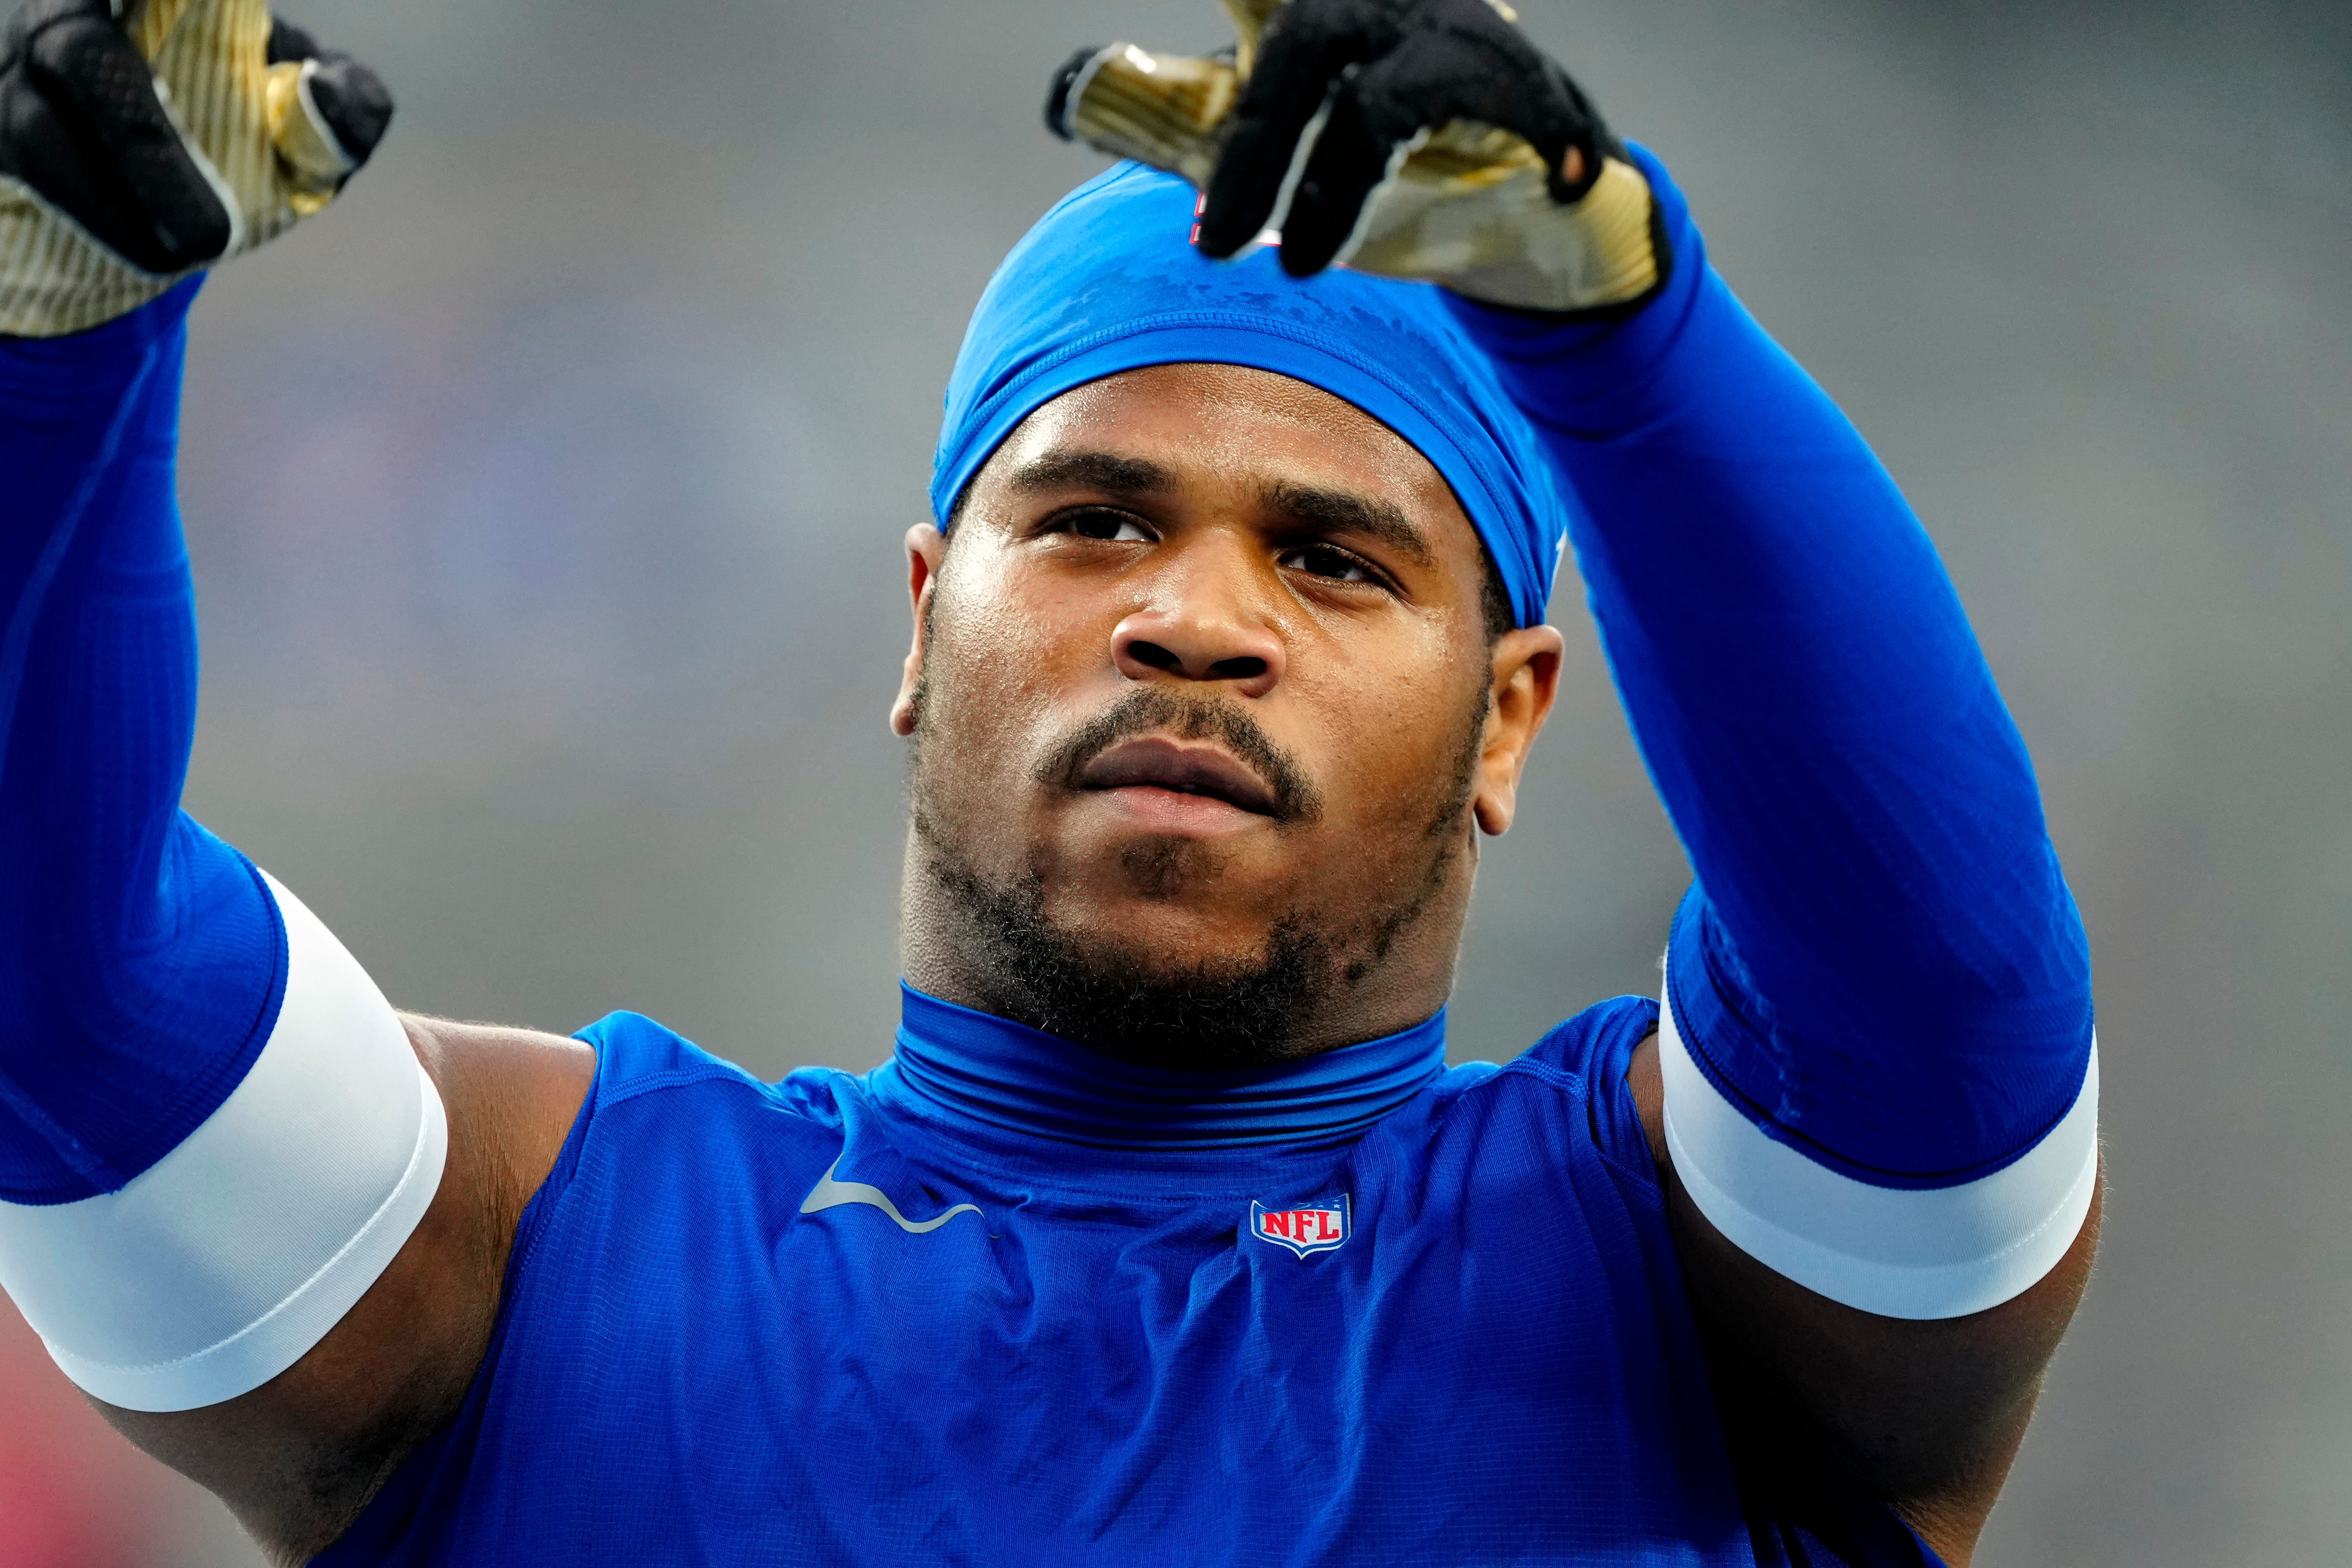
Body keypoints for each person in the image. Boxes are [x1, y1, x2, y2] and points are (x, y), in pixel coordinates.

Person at [0, 0, 2102, 1562]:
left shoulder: (1683, 1280)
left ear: (1513, 715)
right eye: (1094, 520)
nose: (1198, 617)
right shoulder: (531, 1240)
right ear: (925, 624)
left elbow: (1939, 1001)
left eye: (1337, 558)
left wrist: (1626, 343)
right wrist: (53, 351)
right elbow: (52, 998)